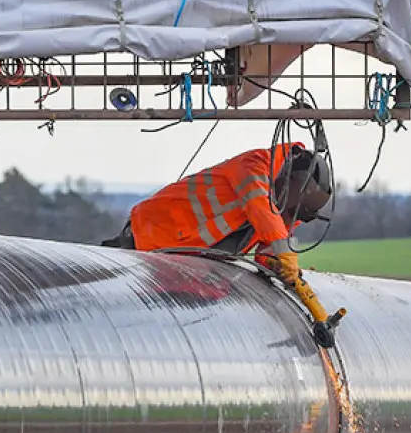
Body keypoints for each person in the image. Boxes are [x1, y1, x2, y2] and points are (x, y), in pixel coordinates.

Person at [102, 142, 340, 340]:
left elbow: (267, 247)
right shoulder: (255, 166)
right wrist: (284, 251)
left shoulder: (280, 206)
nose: (290, 220)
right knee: (106, 300)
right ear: (293, 188)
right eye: (293, 214)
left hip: (180, 271)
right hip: (149, 238)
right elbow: (261, 207)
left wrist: (277, 264)